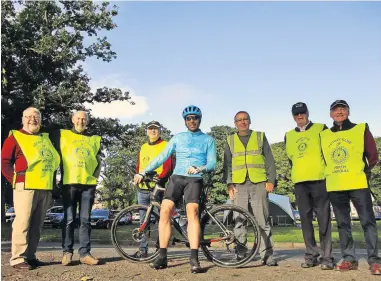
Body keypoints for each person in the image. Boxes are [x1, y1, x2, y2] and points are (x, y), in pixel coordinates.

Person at [134, 105, 216, 273]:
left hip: (195, 179)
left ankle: (194, 259)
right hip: (177, 178)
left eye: (194, 118)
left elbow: (212, 163)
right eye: (188, 118)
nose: (192, 121)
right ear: (185, 121)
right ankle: (162, 257)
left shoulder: (208, 140)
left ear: (199, 119)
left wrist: (200, 168)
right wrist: (142, 171)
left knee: (192, 211)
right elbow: (162, 156)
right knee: (165, 211)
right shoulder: (178, 138)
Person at [320, 100, 381, 275]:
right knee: (342, 223)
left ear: (348, 112)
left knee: (368, 222)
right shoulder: (324, 135)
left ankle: (374, 260)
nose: (339, 112)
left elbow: (373, 155)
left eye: (343, 109)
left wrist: (366, 173)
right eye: (335, 109)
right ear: (330, 114)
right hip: (335, 185)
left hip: (357, 183)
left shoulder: (360, 129)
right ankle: (349, 258)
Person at [1, 107, 60, 270]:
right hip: (25, 185)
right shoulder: (15, 137)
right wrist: (14, 180)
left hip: (44, 187)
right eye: (29, 117)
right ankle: (18, 258)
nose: (33, 119)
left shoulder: (45, 139)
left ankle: (30, 256)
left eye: (36, 117)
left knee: (37, 224)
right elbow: (4, 162)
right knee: (23, 222)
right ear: (23, 119)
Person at [223, 111, 278, 266]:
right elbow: (226, 164)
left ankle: (267, 255)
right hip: (238, 185)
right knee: (239, 221)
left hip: (259, 183)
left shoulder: (260, 136)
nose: (242, 122)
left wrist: (271, 180)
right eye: (239, 120)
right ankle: (241, 253)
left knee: (262, 220)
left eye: (245, 119)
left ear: (250, 121)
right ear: (235, 123)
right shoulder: (230, 140)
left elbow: (269, 159)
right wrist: (229, 183)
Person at [285, 102, 334, 270]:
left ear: (307, 113)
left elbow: (329, 152)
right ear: (293, 116)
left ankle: (327, 257)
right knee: (305, 220)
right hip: (300, 182)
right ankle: (311, 254)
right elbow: (291, 159)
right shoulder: (289, 135)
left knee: (324, 219)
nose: (299, 116)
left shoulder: (322, 128)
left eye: (302, 113)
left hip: (320, 180)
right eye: (296, 114)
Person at [52, 111, 102, 266]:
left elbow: (99, 161)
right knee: (69, 219)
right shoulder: (63, 135)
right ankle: (67, 253)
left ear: (87, 121)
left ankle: (85, 253)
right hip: (69, 184)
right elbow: (55, 158)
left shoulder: (94, 139)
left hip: (88, 185)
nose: (81, 121)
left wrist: (95, 178)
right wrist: (55, 182)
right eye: (78, 118)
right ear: (73, 119)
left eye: (84, 119)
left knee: (85, 220)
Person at [134, 120, 174, 258]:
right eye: (150, 129)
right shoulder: (143, 146)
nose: (153, 131)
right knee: (143, 221)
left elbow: (169, 166)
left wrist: (161, 178)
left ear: (160, 131)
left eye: (156, 129)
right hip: (143, 188)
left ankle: (160, 250)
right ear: (146, 131)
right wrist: (137, 176)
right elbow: (139, 165)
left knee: (161, 220)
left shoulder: (165, 145)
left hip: (158, 187)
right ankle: (143, 250)